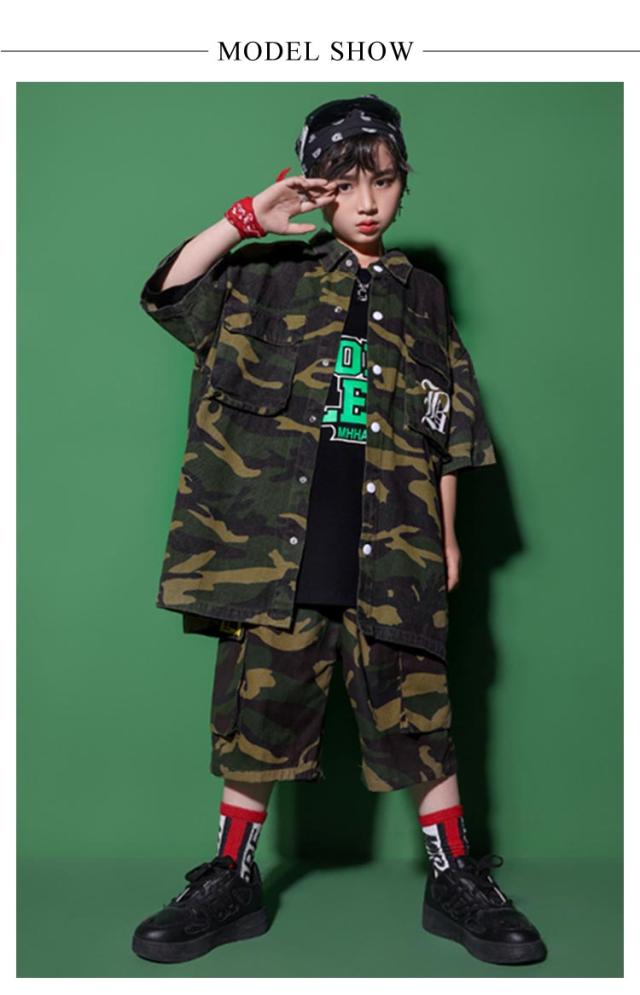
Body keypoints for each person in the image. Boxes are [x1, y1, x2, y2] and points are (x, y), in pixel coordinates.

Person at [132, 94, 546, 967]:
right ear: (317, 187)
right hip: (273, 547)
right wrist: (247, 219)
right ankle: (231, 874)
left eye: (384, 182)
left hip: (392, 542)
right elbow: (168, 294)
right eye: (348, 183)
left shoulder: (422, 296)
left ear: (403, 185)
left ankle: (455, 874)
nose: (367, 201)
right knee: (258, 712)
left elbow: (448, 426)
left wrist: (448, 539)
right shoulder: (264, 277)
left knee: (419, 709)